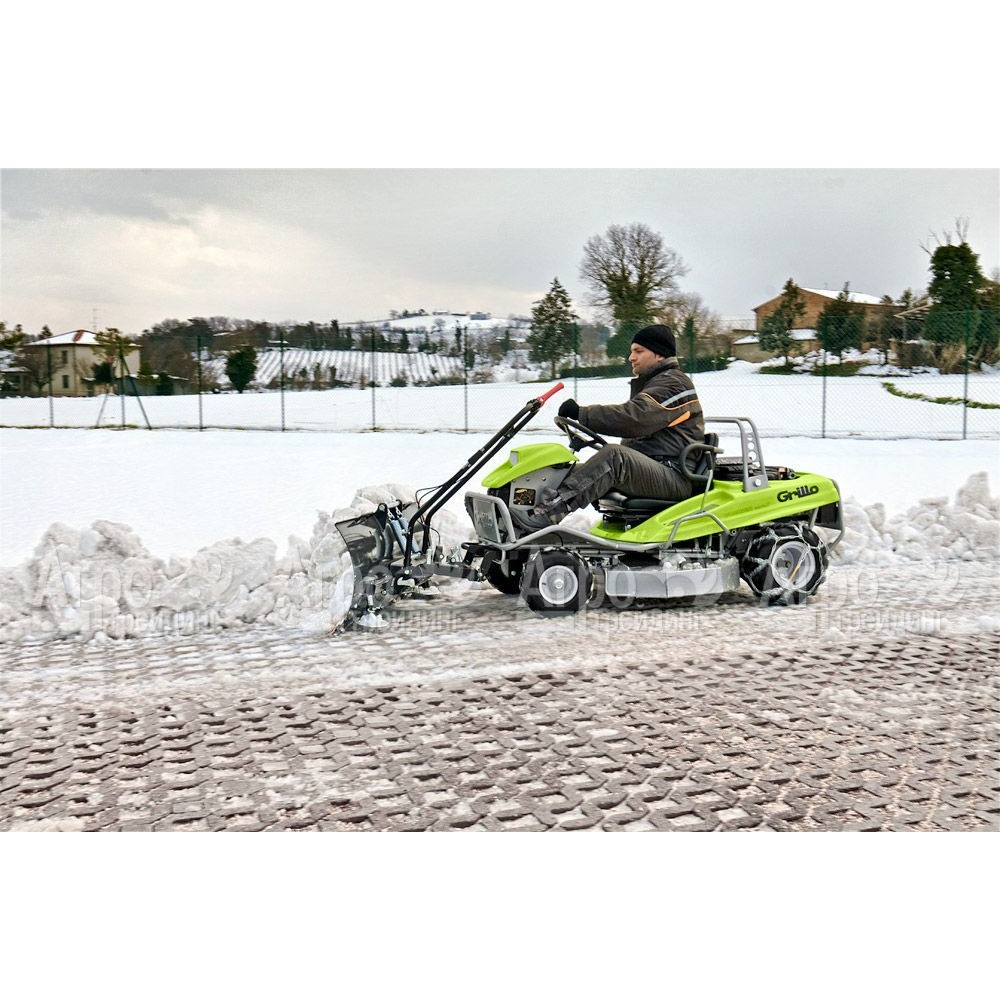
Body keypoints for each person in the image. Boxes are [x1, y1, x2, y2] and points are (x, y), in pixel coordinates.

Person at [533, 323, 705, 524]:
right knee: (565, 471)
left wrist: (583, 414)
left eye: (638, 351)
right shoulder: (656, 382)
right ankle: (514, 516)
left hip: (674, 476)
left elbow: (635, 418)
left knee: (615, 458)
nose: (631, 357)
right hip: (654, 468)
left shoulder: (674, 384)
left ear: (659, 354)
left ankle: (546, 512)